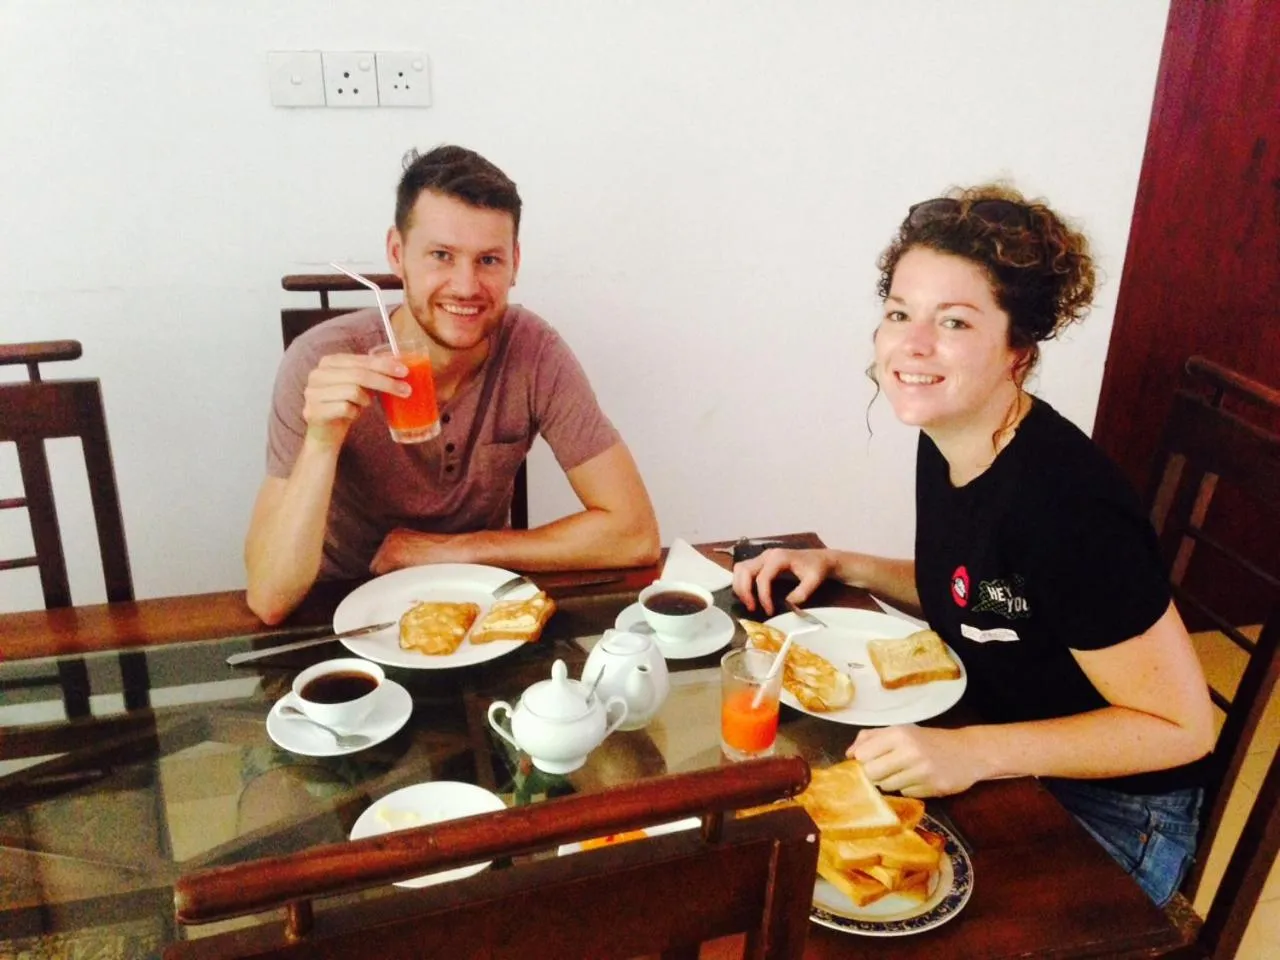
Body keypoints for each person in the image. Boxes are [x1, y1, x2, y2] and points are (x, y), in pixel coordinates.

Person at [732, 185, 1214, 906]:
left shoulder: (1065, 505)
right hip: (1008, 759)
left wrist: (974, 751)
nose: (912, 345)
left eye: (954, 322)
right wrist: (840, 563)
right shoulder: (953, 431)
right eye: (899, 313)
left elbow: (1182, 727)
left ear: (1018, 349)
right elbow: (984, 597)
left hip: (1114, 814)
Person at [246, 145, 660, 624]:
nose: (466, 286)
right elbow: (269, 599)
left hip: (476, 610)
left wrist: (444, 551)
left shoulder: (534, 351)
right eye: (441, 255)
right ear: (397, 254)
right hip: (341, 616)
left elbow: (635, 534)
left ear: (515, 263)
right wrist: (323, 439)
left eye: (488, 260)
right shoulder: (319, 362)